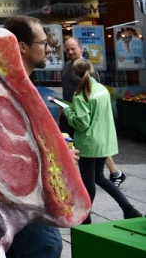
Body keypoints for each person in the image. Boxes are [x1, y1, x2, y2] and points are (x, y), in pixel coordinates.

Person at [3, 15, 63, 258]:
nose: (48, 49)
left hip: (25, 206)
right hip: (26, 206)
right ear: (23, 47)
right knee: (46, 248)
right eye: (43, 43)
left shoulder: (19, 88)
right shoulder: (14, 92)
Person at [63, 58, 142, 223]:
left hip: (89, 143)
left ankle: (85, 216)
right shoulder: (102, 89)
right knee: (99, 176)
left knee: (88, 180)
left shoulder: (79, 94)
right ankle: (128, 208)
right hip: (104, 140)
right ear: (91, 71)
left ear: (75, 75)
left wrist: (68, 112)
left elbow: (82, 123)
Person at [61, 37, 125, 186]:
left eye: (73, 48)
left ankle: (115, 172)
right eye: (67, 49)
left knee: (91, 146)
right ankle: (71, 177)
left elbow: (94, 93)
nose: (70, 52)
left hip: (82, 115)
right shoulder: (66, 66)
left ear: (80, 48)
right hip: (69, 113)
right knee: (67, 144)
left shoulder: (87, 68)